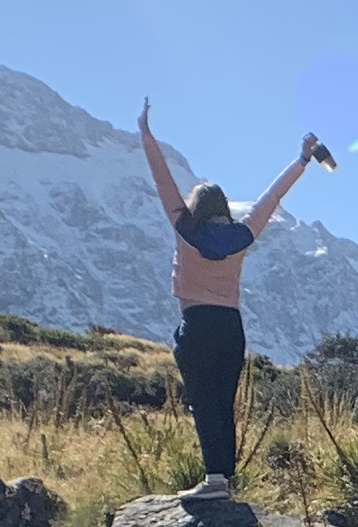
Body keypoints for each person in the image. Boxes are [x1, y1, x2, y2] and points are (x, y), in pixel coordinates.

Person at [136, 101, 325, 498]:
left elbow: (162, 179)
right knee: (223, 402)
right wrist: (301, 161)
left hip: (198, 325)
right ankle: (224, 478)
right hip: (231, 327)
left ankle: (215, 480)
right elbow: (272, 198)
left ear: (195, 206)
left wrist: (146, 134)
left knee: (203, 401)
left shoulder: (184, 225)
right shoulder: (243, 235)